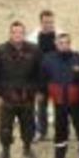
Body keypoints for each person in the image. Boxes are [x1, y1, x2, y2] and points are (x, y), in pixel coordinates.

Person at [0, 21, 43, 158]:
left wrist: (38, 91)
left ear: (24, 34)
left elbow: (40, 73)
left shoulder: (34, 50)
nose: (17, 35)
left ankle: (27, 149)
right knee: (5, 127)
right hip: (7, 97)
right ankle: (5, 152)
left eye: (20, 32)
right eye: (14, 32)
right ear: (10, 33)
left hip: (27, 96)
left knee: (28, 125)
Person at [40, 33, 79, 158]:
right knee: (60, 129)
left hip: (77, 102)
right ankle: (59, 157)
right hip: (59, 103)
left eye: (66, 42)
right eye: (61, 43)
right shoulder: (48, 60)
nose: (64, 45)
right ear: (56, 44)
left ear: (70, 43)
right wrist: (44, 93)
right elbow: (43, 79)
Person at [27, 10, 58, 142]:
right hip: (41, 80)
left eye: (50, 22)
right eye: (45, 22)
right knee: (41, 107)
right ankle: (42, 132)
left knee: (59, 107)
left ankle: (59, 133)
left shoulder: (59, 37)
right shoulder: (33, 40)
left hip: (56, 79)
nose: (48, 24)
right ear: (41, 23)